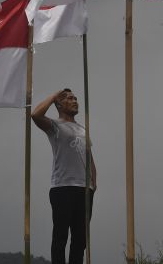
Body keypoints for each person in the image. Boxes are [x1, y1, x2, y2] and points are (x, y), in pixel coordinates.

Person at [32, 88, 96, 264]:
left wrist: (93, 183)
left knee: (80, 240)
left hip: (84, 190)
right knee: (61, 236)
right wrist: (53, 96)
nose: (75, 101)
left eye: (76, 98)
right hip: (63, 188)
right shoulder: (55, 126)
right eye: (69, 98)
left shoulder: (83, 129)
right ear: (59, 104)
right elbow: (36, 115)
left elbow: (89, 156)